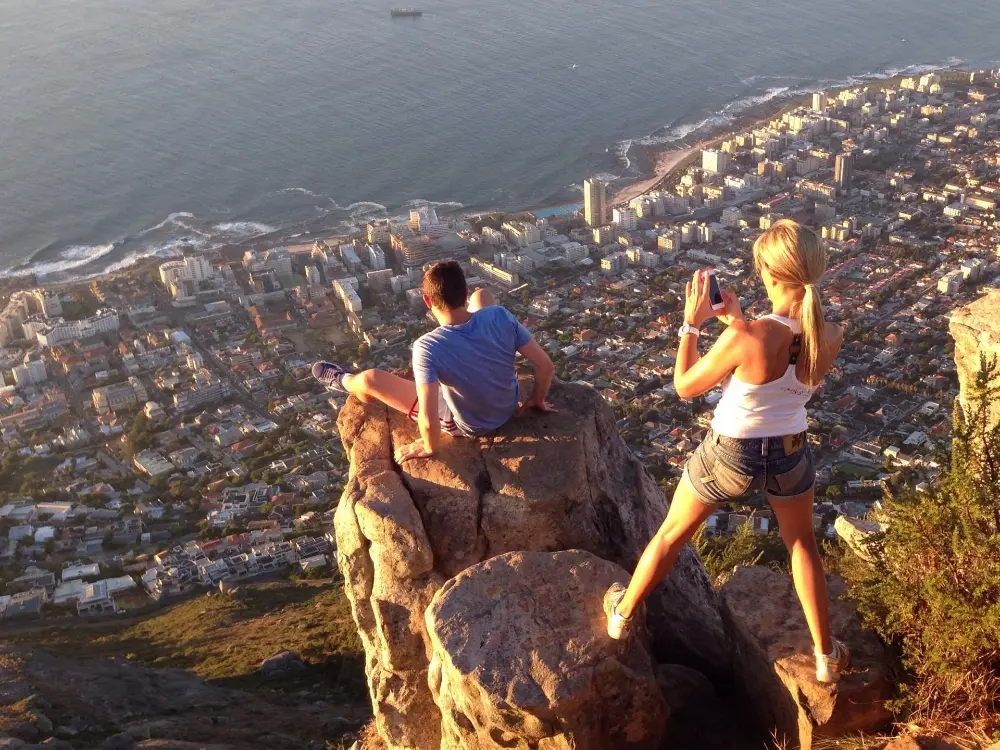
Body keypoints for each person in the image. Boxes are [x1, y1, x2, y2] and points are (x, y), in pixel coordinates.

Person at [603, 219, 849, 684]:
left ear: (768, 275)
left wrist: (690, 326)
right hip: (791, 452)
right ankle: (826, 656)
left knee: (672, 535)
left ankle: (622, 613)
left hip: (730, 454)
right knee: (802, 547)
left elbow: (684, 386)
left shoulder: (749, 336)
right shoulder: (829, 333)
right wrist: (736, 322)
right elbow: (777, 364)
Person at [312, 260, 556, 462]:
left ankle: (343, 381)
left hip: (471, 424)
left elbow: (429, 417)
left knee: (370, 379)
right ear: (464, 293)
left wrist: (429, 447)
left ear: (428, 302)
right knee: (485, 296)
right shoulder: (499, 315)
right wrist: (537, 398)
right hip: (508, 402)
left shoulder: (427, 347)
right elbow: (545, 366)